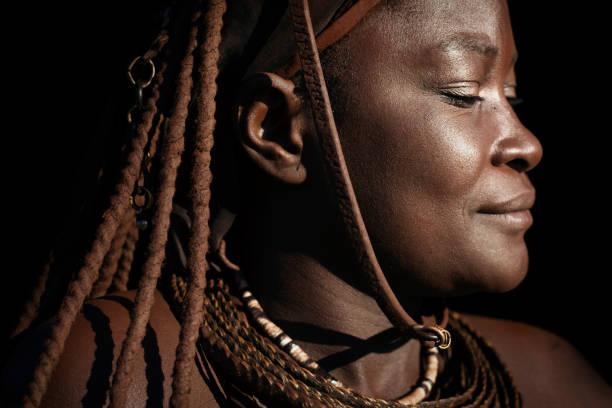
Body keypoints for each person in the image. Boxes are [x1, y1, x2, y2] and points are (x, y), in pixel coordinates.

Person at [3, 0, 612, 407]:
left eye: (512, 94)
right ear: (277, 131)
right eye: (462, 92)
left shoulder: (552, 383)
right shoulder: (118, 375)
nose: (525, 144)